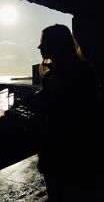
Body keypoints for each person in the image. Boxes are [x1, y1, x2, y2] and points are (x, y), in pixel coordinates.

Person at [35, 24, 101, 202]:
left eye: (44, 42)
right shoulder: (50, 77)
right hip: (53, 155)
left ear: (58, 44)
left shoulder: (81, 72)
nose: (39, 47)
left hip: (75, 156)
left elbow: (86, 116)